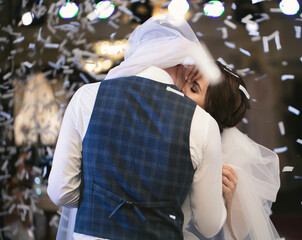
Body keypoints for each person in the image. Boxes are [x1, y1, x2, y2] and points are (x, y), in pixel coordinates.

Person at [47, 14, 227, 240]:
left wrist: (100, 200)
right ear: (181, 63)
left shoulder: (86, 97)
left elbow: (61, 192)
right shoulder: (201, 122)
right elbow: (209, 225)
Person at [181, 62, 281, 240]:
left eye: (193, 89)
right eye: (186, 83)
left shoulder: (228, 159)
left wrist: (230, 198)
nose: (181, 90)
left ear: (211, 112)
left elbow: (239, 234)